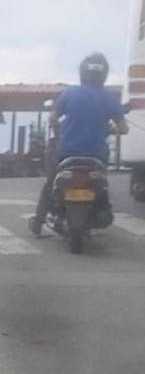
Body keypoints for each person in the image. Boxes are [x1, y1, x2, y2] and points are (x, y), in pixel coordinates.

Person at [29, 52, 129, 236]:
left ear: (82, 71)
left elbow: (53, 119)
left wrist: (60, 132)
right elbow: (124, 129)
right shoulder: (109, 98)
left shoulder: (70, 93)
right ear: (104, 74)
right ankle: (100, 208)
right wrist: (109, 130)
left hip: (66, 153)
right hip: (97, 156)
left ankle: (38, 222)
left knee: (50, 183)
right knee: (102, 184)